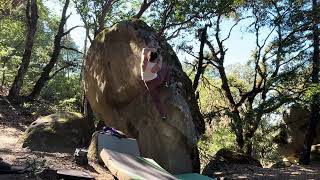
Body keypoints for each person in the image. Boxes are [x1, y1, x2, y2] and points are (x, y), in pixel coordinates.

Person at [141, 47, 170, 120]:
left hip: (147, 83)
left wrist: (152, 49)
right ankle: (166, 83)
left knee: (156, 99)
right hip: (156, 81)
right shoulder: (155, 67)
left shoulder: (143, 62)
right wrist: (160, 58)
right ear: (155, 60)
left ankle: (163, 115)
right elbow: (160, 64)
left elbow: (144, 49)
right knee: (166, 68)